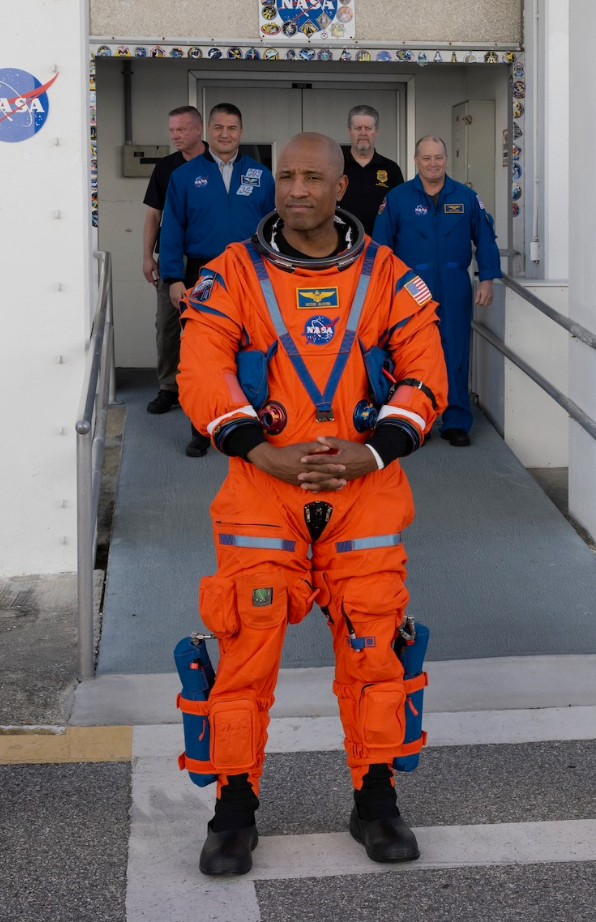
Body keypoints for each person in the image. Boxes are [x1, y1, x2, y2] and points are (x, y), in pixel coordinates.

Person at [177, 132, 447, 875]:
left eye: (312, 177)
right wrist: (256, 448)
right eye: (286, 176)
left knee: (374, 648)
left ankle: (376, 799)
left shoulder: (390, 275)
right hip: (263, 488)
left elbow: (426, 372)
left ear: (340, 188)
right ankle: (234, 808)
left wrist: (375, 450)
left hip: (365, 492)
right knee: (246, 649)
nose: (297, 189)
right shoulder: (231, 273)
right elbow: (201, 368)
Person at [161, 103, 276, 456]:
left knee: (254, 349)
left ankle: (256, 425)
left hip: (251, 273)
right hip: (202, 273)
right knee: (201, 355)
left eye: (232, 128)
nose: (225, 134)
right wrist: (173, 277)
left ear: (241, 132)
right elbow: (172, 228)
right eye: (219, 127)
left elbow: (273, 227)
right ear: (208, 131)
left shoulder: (260, 174)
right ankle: (201, 428)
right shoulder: (183, 176)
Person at [370, 136, 501, 445]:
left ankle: (455, 421)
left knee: (455, 352)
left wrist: (486, 279)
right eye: (426, 157)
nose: (433, 163)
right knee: (413, 354)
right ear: (416, 160)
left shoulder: (466, 197)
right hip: (411, 289)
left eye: (438, 157)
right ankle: (419, 420)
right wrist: (381, 291)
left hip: (455, 285)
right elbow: (380, 247)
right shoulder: (398, 198)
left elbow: (485, 238)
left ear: (446, 160)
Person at [142, 105, 206, 415]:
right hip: (171, 258)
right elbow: (154, 215)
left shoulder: (215, 164)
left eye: (181, 130)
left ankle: (214, 386)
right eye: (172, 130)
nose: (175, 136)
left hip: (210, 259)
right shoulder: (166, 167)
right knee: (166, 326)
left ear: (198, 129)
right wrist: (147, 257)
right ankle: (169, 388)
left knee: (214, 327)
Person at [338, 104, 403, 233]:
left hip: (379, 245)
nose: (363, 133)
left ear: (376, 131)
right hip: (342, 245)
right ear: (349, 130)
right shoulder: (336, 166)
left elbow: (400, 210)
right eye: (358, 128)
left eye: (368, 128)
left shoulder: (391, 169)